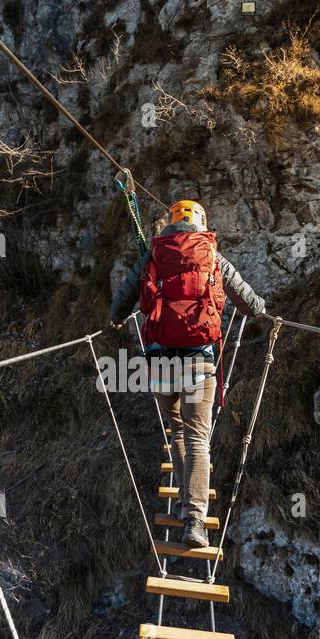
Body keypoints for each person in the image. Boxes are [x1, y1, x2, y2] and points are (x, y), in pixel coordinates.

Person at [109, 198, 266, 549]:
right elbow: (250, 302)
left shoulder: (152, 256)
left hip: (160, 361)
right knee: (198, 438)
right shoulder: (211, 255)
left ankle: (183, 504)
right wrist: (261, 310)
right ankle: (194, 519)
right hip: (199, 361)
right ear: (201, 222)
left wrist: (117, 319)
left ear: (169, 222)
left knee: (177, 430)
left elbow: (121, 301)